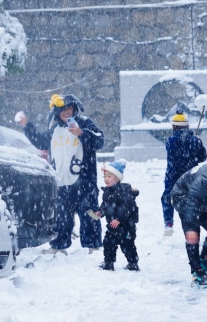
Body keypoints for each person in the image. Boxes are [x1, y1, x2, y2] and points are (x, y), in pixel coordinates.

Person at [16, 93, 104, 254]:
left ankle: (93, 245)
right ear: (57, 111)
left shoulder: (84, 123)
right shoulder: (55, 130)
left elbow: (100, 140)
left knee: (89, 213)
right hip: (61, 182)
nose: (67, 112)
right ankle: (59, 245)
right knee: (61, 215)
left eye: (69, 108)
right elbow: (40, 141)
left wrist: (82, 133)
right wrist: (27, 125)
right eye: (63, 109)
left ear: (75, 109)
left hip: (84, 182)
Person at [161, 109, 207, 236]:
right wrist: (198, 143)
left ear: (174, 126)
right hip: (191, 175)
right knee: (191, 199)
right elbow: (203, 157)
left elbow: (174, 157)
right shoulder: (195, 140)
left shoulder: (170, 141)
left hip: (173, 176)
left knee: (167, 198)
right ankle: (194, 223)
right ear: (187, 126)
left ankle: (168, 223)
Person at [91, 160, 140, 271]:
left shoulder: (125, 191)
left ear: (117, 178)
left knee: (127, 245)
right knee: (108, 243)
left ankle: (133, 263)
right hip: (112, 225)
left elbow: (127, 207)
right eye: (105, 176)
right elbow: (105, 205)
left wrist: (119, 219)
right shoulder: (107, 192)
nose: (106, 179)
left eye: (109, 176)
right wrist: (100, 212)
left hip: (126, 225)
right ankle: (108, 262)